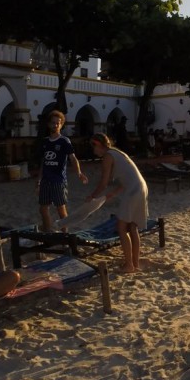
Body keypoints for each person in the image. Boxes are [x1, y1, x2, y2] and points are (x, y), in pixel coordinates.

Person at [87, 134, 149, 273]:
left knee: (121, 227)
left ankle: (128, 265)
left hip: (133, 190)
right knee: (133, 228)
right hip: (141, 187)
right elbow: (128, 178)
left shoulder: (108, 156)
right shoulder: (118, 153)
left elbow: (104, 183)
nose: (93, 151)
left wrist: (92, 196)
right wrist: (112, 194)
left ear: (97, 144)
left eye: (93, 146)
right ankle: (134, 263)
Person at [38, 110, 88, 231]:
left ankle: (65, 235)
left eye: (58, 123)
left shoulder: (64, 141)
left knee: (61, 208)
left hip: (58, 180)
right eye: (53, 123)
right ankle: (47, 231)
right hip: (45, 180)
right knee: (43, 208)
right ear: (49, 124)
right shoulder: (45, 142)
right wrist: (38, 180)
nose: (55, 125)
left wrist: (79, 173)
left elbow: (73, 158)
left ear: (61, 125)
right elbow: (43, 162)